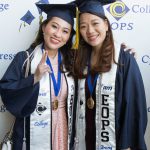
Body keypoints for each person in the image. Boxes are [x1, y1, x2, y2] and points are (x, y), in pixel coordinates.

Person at [0, 3, 77, 150]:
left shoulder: (72, 62)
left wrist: (123, 54)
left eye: (65, 31)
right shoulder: (24, 59)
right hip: (31, 133)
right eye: (54, 26)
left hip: (63, 129)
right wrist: (34, 78)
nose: (58, 34)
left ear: (69, 37)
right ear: (44, 28)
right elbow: (6, 91)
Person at [73, 0, 147, 150]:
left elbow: (134, 107)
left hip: (116, 142)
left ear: (106, 25)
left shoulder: (123, 59)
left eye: (95, 23)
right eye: (83, 26)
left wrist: (127, 144)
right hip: (85, 138)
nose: (90, 31)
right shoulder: (79, 59)